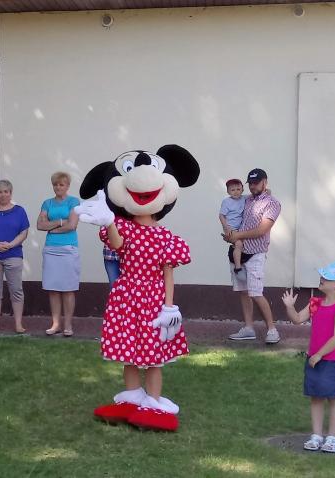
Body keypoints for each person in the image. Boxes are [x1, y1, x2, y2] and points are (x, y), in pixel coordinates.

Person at [77, 144, 200, 432]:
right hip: (127, 295)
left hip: (154, 299)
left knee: (154, 357)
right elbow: (117, 245)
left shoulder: (166, 237)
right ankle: (132, 399)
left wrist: (169, 307)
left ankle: (153, 403)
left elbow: (168, 274)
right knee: (128, 351)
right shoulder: (123, 227)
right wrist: (109, 222)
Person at [281, 262, 335, 453]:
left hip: (333, 361)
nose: (321, 278)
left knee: (334, 398)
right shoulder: (315, 303)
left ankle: (333, 438)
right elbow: (297, 319)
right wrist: (290, 307)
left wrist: (320, 354)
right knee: (316, 397)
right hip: (315, 359)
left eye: (327, 277)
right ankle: (317, 436)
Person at [224, 168, 282, 344]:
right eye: (250, 183)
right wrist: (230, 235)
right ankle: (248, 328)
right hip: (239, 251)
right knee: (243, 292)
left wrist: (237, 235)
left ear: (265, 182)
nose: (252, 186)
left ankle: (272, 330)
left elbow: (262, 230)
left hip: (256, 253)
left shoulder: (272, 203)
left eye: (256, 183)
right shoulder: (247, 199)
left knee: (256, 293)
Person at [0, 179, 30, 334]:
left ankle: (18, 324)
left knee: (16, 289)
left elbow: (24, 232)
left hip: (13, 254)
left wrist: (11, 244)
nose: (2, 195)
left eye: (5, 192)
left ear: (10, 193)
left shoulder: (19, 211)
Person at [36, 172, 81, 337]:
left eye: (61, 184)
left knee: (68, 288)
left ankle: (68, 324)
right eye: (55, 184)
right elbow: (40, 225)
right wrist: (60, 222)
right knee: (53, 289)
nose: (58, 187)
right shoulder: (47, 203)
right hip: (51, 249)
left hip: (69, 248)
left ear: (67, 186)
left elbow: (72, 225)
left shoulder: (74, 202)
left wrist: (52, 228)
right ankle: (55, 324)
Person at [219, 178, 246, 280]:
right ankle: (237, 267)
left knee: (242, 244)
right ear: (228, 191)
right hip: (231, 228)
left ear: (242, 190)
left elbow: (255, 196)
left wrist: (268, 191)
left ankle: (239, 259)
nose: (236, 192)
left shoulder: (244, 198)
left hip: (241, 228)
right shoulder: (226, 201)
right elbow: (221, 215)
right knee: (239, 244)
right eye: (232, 190)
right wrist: (226, 227)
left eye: (238, 189)